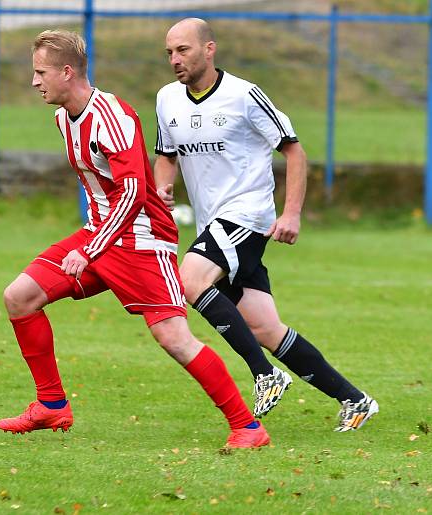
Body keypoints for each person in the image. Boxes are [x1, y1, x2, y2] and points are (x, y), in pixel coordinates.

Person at [0, 29, 270, 448]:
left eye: (41, 72)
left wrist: (89, 250)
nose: (35, 81)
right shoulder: (62, 118)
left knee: (174, 338)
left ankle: (247, 428)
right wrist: (92, 244)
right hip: (101, 235)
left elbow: (133, 192)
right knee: (20, 297)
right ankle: (52, 404)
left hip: (143, 239)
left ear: (66, 72)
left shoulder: (114, 116)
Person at [154, 18, 378, 432]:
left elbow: (294, 151)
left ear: (209, 49)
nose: (174, 59)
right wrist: (162, 190)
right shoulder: (167, 99)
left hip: (247, 215)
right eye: (169, 52)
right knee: (263, 327)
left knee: (188, 279)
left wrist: (290, 213)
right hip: (212, 222)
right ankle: (355, 400)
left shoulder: (243, 95)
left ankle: (265, 374)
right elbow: (166, 155)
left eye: (182, 50)